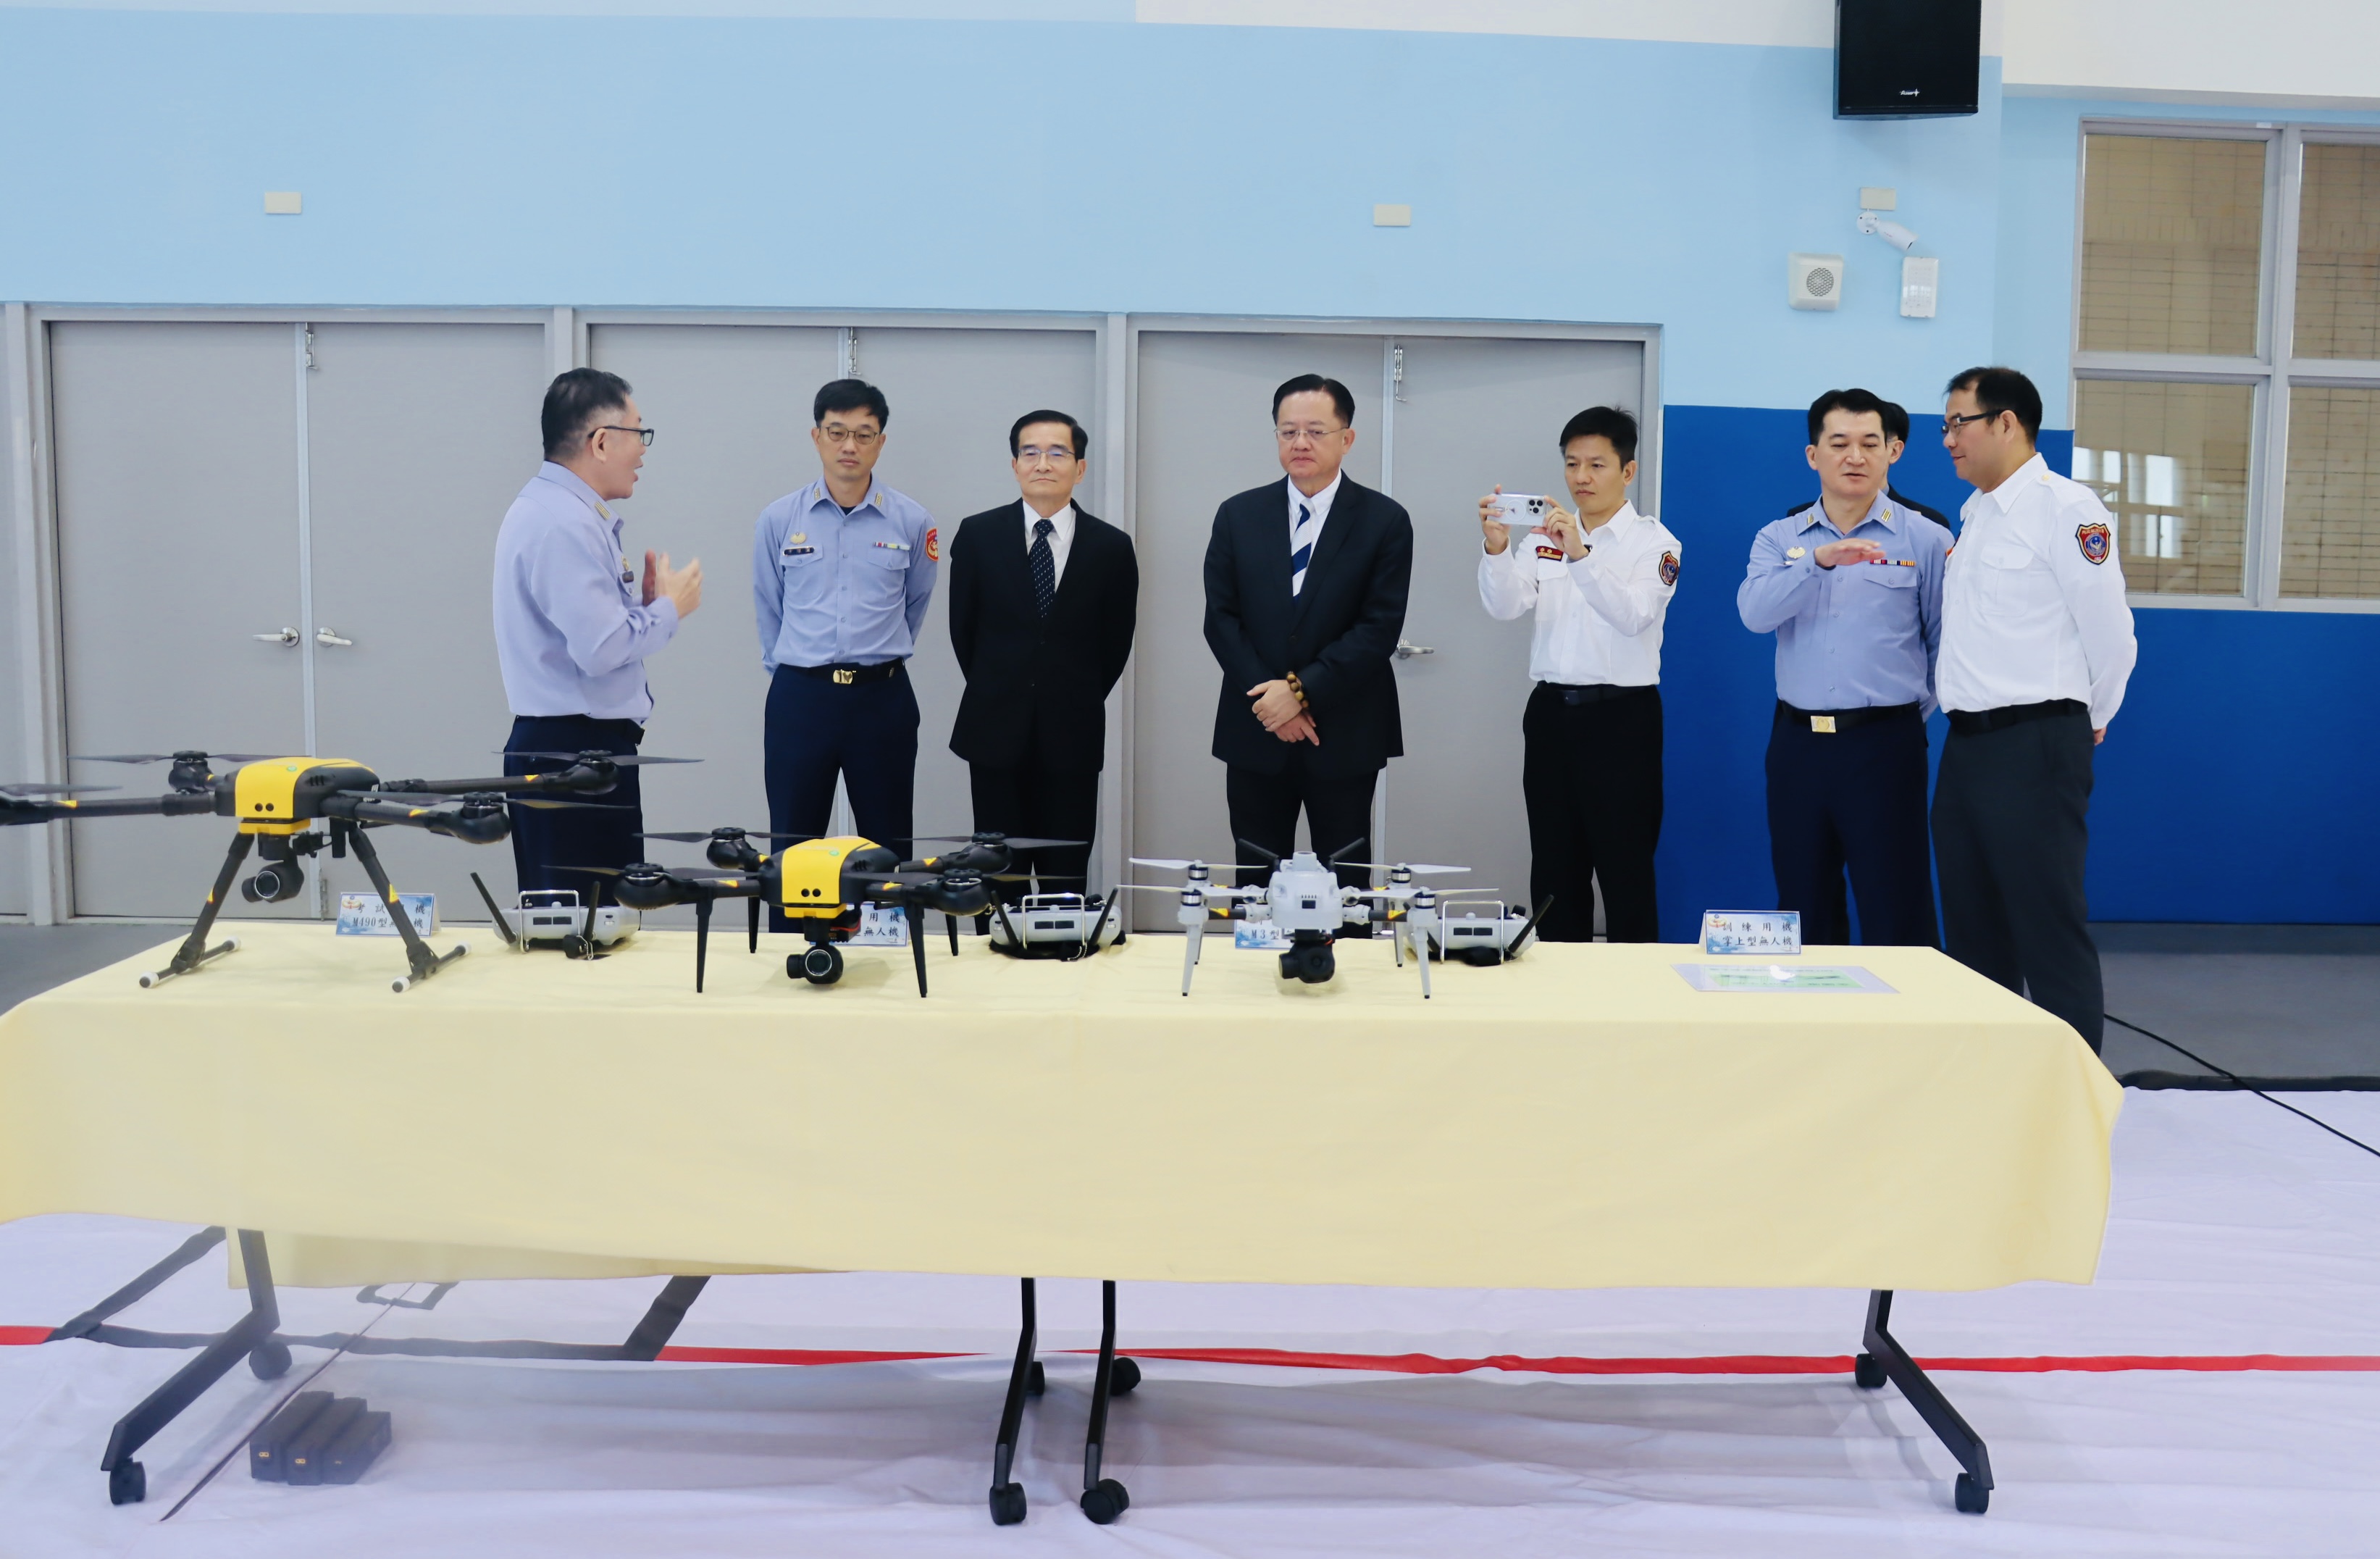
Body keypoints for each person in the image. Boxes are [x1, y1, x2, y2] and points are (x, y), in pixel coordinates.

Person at [1932, 366, 2137, 1053]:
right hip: (1967, 747)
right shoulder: (1977, 514)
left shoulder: (2066, 509)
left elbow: (2111, 634)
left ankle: (2070, 1094)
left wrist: (2091, 716)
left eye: (1958, 424)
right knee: (1972, 929)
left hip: (2037, 743)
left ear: (2007, 423)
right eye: (1945, 426)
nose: (1948, 440)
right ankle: (1991, 1083)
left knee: (2047, 925)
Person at [1738, 388, 1949, 948]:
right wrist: (1816, 563)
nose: (1855, 457)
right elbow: (1755, 614)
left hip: (1884, 745)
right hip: (1797, 745)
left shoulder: (1927, 538)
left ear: (1892, 451)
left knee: (1896, 903)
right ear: (1814, 455)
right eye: (1839, 444)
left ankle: (1906, 1008)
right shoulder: (1779, 539)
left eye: (1869, 443)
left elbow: (1942, 645)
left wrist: (1898, 720)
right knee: (1803, 900)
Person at [493, 368, 702, 900]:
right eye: (638, 432)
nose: (644, 450)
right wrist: (669, 611)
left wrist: (643, 609)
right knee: (583, 925)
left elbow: (589, 629)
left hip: (577, 751)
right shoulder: (564, 523)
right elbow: (601, 650)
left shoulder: (559, 510)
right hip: (572, 756)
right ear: (602, 441)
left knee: (599, 920)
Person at [1477, 406, 1678, 942]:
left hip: (1622, 720)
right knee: (1554, 867)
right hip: (1550, 715)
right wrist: (1497, 548)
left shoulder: (1655, 543)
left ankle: (1632, 986)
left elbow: (1634, 615)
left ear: (1628, 471)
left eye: (1596, 465)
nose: (1581, 478)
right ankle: (1557, 983)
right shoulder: (1542, 536)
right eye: (1572, 464)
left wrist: (1581, 555)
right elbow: (1505, 605)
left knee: (1625, 867)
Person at [1204, 375, 1412, 892]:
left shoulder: (1384, 521)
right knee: (1255, 883)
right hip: (1257, 726)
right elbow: (1221, 619)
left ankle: (1348, 949)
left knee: (1346, 884)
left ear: (1347, 438)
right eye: (1288, 431)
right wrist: (1272, 700)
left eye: (1316, 431)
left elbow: (1378, 627)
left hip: (1345, 729)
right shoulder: (1238, 515)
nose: (1300, 443)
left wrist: (1299, 692)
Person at [752, 379, 937, 922]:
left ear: (881, 441)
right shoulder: (779, 519)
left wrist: (876, 656)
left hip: (881, 699)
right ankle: (796, 946)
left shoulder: (912, 521)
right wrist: (798, 670)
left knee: (887, 841)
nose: (849, 446)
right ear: (817, 437)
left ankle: (887, 947)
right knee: (792, 840)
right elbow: (769, 605)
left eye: (863, 434)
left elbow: (916, 603)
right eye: (837, 433)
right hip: (801, 698)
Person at [946, 410, 1138, 904]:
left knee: (1064, 877)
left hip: (1072, 730)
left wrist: (1066, 692)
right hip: (994, 729)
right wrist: (1004, 686)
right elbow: (963, 630)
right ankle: (1000, 944)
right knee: (997, 874)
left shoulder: (1112, 548)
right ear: (1015, 465)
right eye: (1030, 453)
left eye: (1057, 453)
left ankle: (1064, 947)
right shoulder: (978, 535)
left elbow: (1115, 643)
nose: (1043, 464)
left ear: (1080, 468)